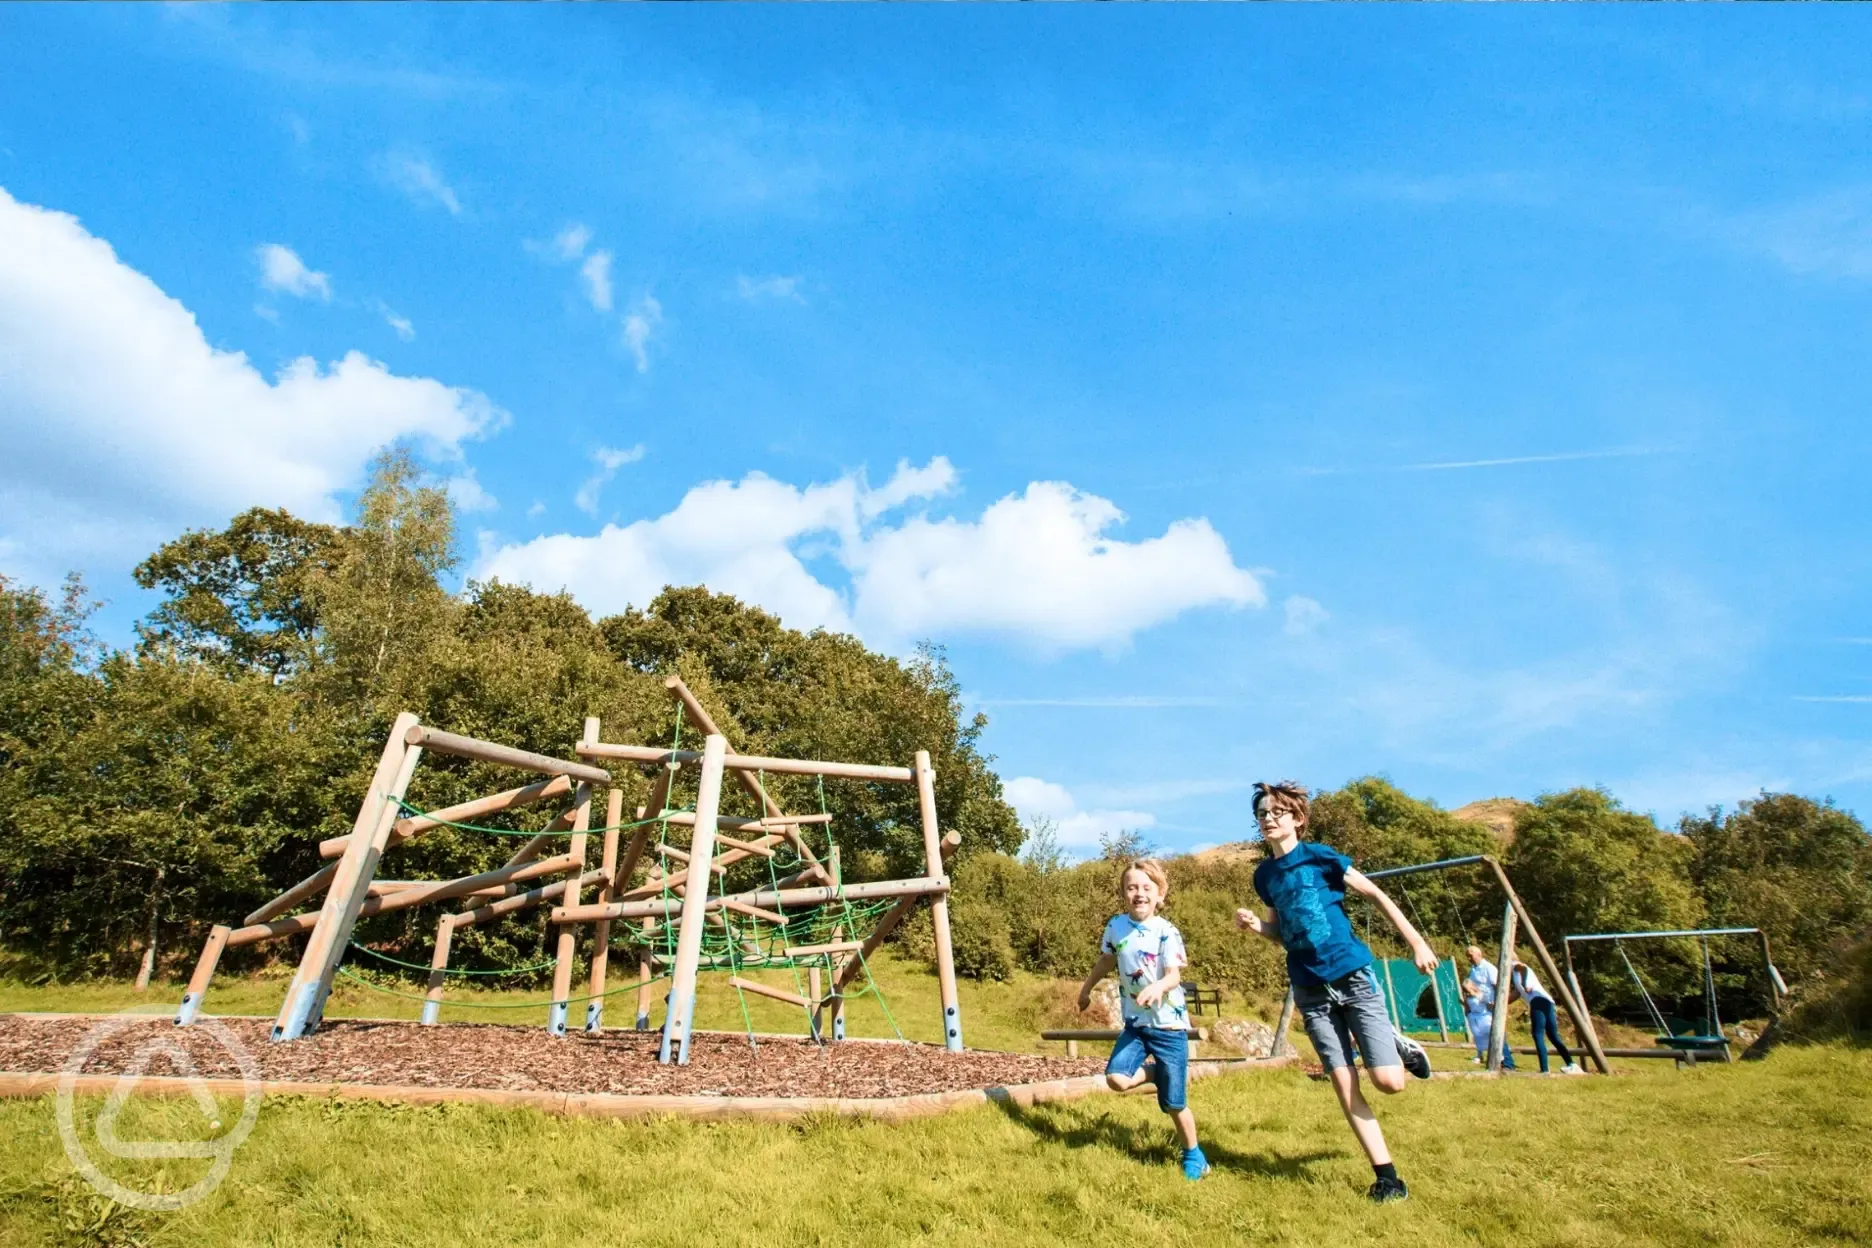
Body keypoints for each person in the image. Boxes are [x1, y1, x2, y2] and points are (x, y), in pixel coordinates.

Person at [1234, 782, 1435, 1204]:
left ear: (1298, 819)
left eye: (1277, 811)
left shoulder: (1320, 857)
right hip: (1310, 989)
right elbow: (1280, 931)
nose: (1268, 818)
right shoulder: (1264, 876)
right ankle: (1387, 1178)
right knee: (1344, 1083)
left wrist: (1416, 943)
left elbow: (1376, 894)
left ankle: (1396, 1046)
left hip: (1352, 976)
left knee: (1389, 1083)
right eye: (1262, 814)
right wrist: (1257, 927)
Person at [1078, 857, 1209, 1181]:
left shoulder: (1166, 931)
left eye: (1147, 888)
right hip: (1136, 1025)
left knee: (1174, 1104)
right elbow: (1106, 960)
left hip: (1169, 1028)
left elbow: (1174, 977)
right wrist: (1085, 989)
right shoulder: (1116, 926)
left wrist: (1157, 986)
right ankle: (1154, 1073)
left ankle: (1194, 1154)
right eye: (1132, 887)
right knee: (1116, 1079)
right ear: (1124, 893)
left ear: (1160, 894)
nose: (1139, 893)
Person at [1510, 957, 1582, 1074]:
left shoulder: (1514, 965)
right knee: (1553, 1036)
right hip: (1547, 1001)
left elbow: (1523, 969)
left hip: (1537, 1000)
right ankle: (1571, 1064)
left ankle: (1544, 1069)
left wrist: (1525, 983)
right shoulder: (1514, 975)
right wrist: (1497, 1004)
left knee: (1537, 1034)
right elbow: (1517, 994)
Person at [1463, 945, 1516, 1071]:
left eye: (1471, 955)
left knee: (1497, 1035)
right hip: (1477, 1008)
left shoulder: (1488, 968)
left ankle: (1508, 1063)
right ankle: (1496, 1062)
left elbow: (1499, 985)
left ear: (1479, 954)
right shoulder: (1473, 970)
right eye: (1467, 956)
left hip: (1489, 1007)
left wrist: (1497, 1003)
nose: (1469, 958)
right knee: (1485, 1036)